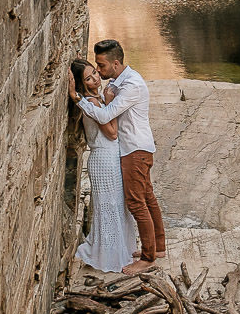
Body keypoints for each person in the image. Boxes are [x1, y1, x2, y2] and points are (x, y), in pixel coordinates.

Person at [79, 39, 166, 275]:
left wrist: (79, 100)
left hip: (134, 150)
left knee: (137, 202)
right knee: (148, 197)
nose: (98, 71)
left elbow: (107, 115)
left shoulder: (131, 86)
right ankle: (158, 247)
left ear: (116, 64)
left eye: (101, 66)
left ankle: (148, 258)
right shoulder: (120, 81)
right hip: (137, 148)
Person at [67, 58, 138, 273]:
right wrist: (109, 104)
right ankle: (108, 256)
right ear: (82, 84)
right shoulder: (95, 103)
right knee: (109, 206)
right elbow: (112, 132)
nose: (96, 79)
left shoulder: (94, 100)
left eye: (95, 73)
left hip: (108, 157)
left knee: (115, 205)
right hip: (104, 159)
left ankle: (116, 251)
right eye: (88, 78)